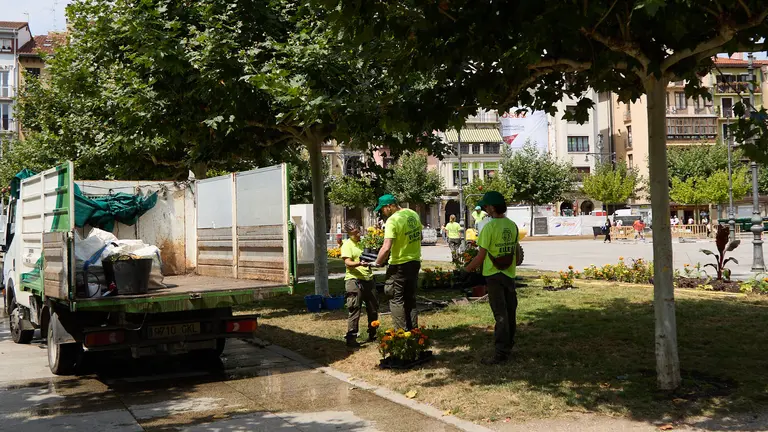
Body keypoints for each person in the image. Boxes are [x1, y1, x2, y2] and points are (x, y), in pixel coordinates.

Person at [465, 191, 519, 365]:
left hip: (493, 276)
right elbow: (515, 252)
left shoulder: (488, 228)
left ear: (493, 208)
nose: (485, 209)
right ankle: (509, 344)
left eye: (486, 206)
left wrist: (466, 270)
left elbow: (480, 256)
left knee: (500, 314)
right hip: (509, 274)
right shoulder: (512, 225)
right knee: (511, 311)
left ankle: (501, 353)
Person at [373, 194, 423, 331]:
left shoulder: (392, 221)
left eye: (382, 209)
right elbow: (420, 236)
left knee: (396, 299)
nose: (382, 212)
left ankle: (401, 335)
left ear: (390, 206)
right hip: (414, 262)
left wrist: (377, 263)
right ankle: (414, 332)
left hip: (398, 266)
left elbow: (386, 247)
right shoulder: (413, 214)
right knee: (410, 299)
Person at [341, 220, 379, 348]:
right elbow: (348, 263)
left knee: (373, 308)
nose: (356, 235)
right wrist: (359, 263)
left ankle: (373, 333)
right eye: (353, 233)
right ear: (348, 234)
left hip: (369, 278)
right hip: (354, 280)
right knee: (354, 308)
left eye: (357, 232)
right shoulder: (347, 245)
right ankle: (351, 337)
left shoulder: (364, 243)